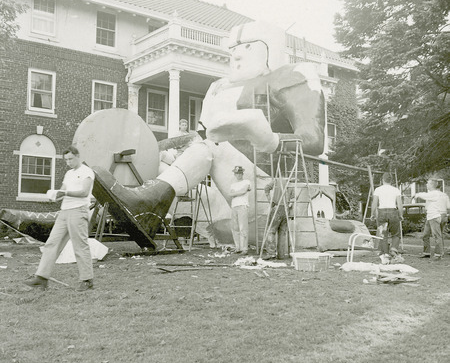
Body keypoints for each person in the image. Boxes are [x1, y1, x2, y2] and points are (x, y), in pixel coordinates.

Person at [92, 20, 325, 247]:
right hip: (226, 196)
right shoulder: (219, 87)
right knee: (158, 161)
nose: (237, 55)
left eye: (248, 46)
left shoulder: (293, 75)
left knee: (213, 145)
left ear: (269, 49)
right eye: (233, 48)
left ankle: (146, 203)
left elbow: (314, 140)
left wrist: (269, 139)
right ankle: (144, 210)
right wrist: (168, 156)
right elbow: (201, 139)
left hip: (267, 191)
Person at [25, 145, 95, 291]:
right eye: (66, 160)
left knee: (79, 246)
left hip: (78, 210)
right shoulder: (68, 173)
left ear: (77, 156)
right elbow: (62, 191)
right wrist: (54, 195)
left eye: (70, 159)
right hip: (64, 211)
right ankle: (42, 278)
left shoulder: (87, 172)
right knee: (51, 243)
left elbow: (84, 192)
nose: (68, 162)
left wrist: (65, 193)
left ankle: (87, 280)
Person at [371, 172, 403, 264]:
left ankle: (385, 254)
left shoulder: (378, 189)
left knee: (383, 235)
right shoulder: (396, 190)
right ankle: (393, 249)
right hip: (393, 212)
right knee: (396, 233)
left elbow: (374, 203)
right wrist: (401, 215)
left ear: (382, 180)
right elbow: (400, 205)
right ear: (391, 180)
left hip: (382, 212)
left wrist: (373, 214)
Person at [415, 179, 450, 260]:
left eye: (427, 183)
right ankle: (428, 252)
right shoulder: (444, 195)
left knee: (436, 236)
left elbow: (424, 195)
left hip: (434, 215)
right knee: (431, 235)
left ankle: (438, 254)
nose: (426, 185)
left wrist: (416, 194)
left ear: (432, 185)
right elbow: (448, 206)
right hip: (439, 215)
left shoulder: (433, 194)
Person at [264, 179, 294, 259]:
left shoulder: (276, 180)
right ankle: (281, 255)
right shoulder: (290, 183)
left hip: (277, 207)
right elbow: (294, 199)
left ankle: (271, 253)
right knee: (282, 233)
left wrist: (270, 200)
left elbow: (266, 188)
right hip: (286, 208)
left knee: (271, 231)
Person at [230, 166, 251, 254]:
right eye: (237, 173)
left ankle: (244, 248)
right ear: (235, 174)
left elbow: (243, 191)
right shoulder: (233, 184)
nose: (238, 175)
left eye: (240, 173)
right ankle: (238, 247)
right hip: (234, 206)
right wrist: (240, 192)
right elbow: (230, 194)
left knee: (243, 227)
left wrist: (236, 193)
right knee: (235, 228)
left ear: (242, 173)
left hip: (243, 205)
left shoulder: (247, 182)